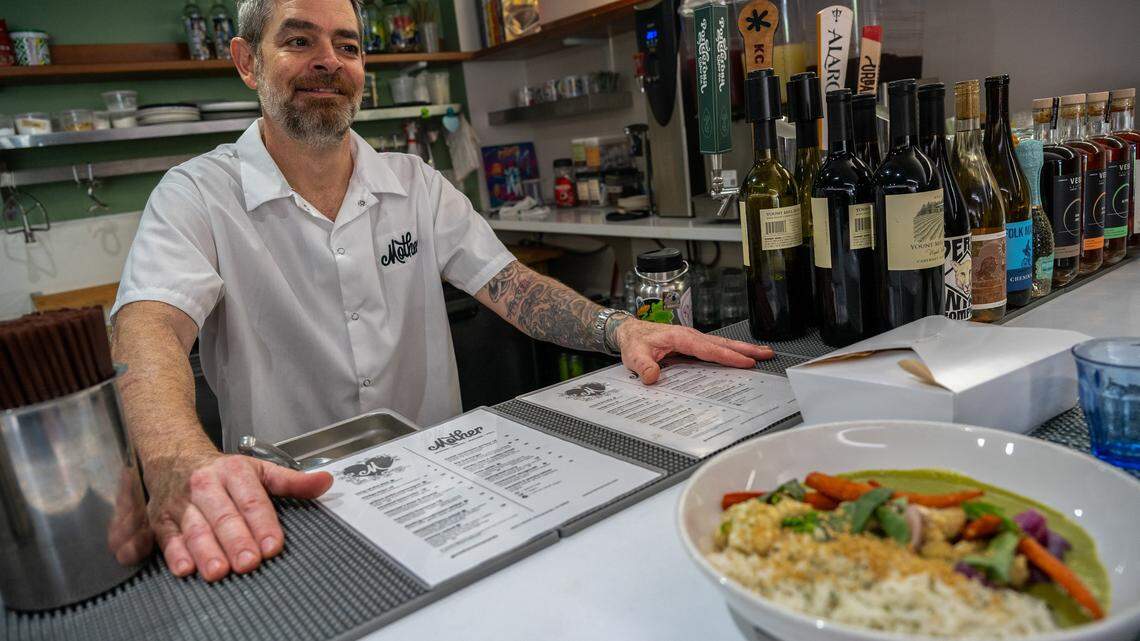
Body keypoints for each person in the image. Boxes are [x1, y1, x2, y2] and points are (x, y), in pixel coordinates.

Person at [110, 0, 774, 583]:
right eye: (298, 40)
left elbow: (512, 287)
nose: (328, 62)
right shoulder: (196, 194)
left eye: (348, 45)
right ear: (247, 62)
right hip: (291, 514)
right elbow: (148, 325)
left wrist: (618, 327)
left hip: (446, 491)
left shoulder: (415, 183)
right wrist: (175, 455)